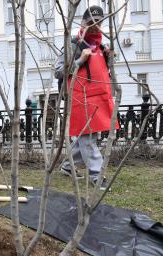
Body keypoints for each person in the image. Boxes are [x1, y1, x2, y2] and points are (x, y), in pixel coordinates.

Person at [54, 5, 118, 191]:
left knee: (87, 137)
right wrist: (79, 60)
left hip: (98, 98)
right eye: (90, 22)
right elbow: (58, 72)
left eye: (99, 22)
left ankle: (67, 166)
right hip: (81, 99)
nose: (94, 26)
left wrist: (109, 58)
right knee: (87, 139)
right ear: (82, 23)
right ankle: (97, 175)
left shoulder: (102, 46)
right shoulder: (74, 44)